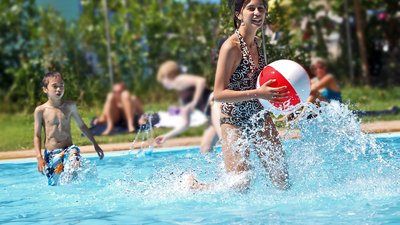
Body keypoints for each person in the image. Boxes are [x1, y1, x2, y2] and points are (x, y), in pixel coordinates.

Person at [186, 0, 290, 191]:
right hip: (234, 119)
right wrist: (259, 93)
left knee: (281, 179)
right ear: (239, 14)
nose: (257, 12)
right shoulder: (231, 47)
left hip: (259, 116)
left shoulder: (258, 44)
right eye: (251, 8)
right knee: (240, 185)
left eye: (261, 8)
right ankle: (196, 187)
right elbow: (218, 93)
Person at [34, 72, 104, 186]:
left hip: (69, 149)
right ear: (45, 89)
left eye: (61, 85)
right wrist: (39, 157)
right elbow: (37, 135)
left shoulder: (70, 106)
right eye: (54, 86)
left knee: (74, 158)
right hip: (52, 154)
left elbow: (82, 126)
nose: (59, 89)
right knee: (55, 185)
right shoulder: (41, 111)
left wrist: (95, 144)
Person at [154, 60, 221, 153]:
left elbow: (201, 81)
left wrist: (194, 102)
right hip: (211, 115)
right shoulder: (181, 96)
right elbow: (185, 124)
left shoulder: (178, 80)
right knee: (206, 149)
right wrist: (166, 136)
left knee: (226, 141)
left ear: (168, 75)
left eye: (162, 79)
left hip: (216, 105)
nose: (163, 83)